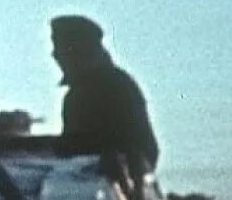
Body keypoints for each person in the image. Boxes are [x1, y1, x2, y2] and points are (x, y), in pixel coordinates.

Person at [51, 14, 159, 180]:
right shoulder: (77, 95)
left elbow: (144, 151)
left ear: (80, 52)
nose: (55, 55)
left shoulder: (117, 89)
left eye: (61, 49)